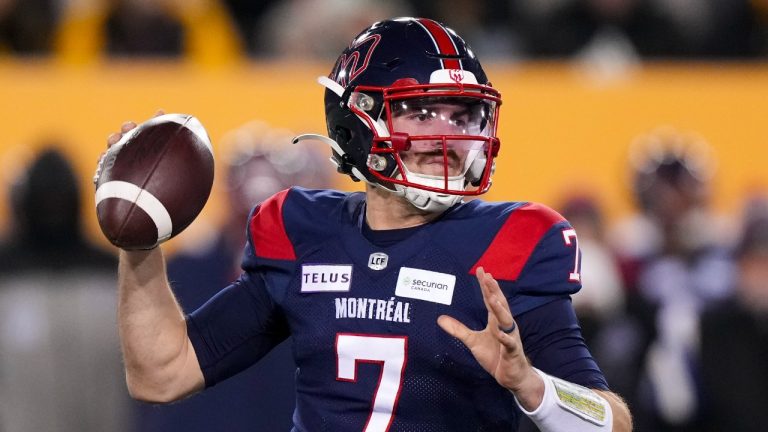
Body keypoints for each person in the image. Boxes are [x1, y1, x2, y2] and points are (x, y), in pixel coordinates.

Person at [104, 18, 632, 431]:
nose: (448, 135)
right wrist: (140, 243)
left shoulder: (513, 240)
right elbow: (162, 371)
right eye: (422, 114)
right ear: (356, 117)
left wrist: (533, 385)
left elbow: (614, 422)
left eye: (463, 115)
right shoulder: (302, 229)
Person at [0, 147, 131, 432]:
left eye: (58, 201)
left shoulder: (109, 272)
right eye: (45, 202)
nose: (52, 211)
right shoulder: (5, 275)